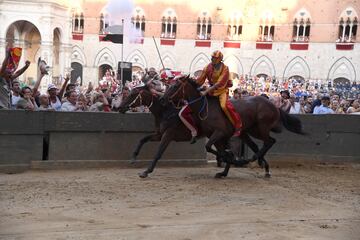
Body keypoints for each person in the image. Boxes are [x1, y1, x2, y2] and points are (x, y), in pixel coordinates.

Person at [179, 50, 242, 144]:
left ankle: (237, 126)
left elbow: (219, 83)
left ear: (220, 59)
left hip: (221, 91)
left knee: (224, 106)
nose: (212, 59)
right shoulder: (208, 67)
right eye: (212, 57)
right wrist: (188, 81)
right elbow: (200, 81)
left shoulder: (225, 68)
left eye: (214, 58)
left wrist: (206, 91)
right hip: (211, 91)